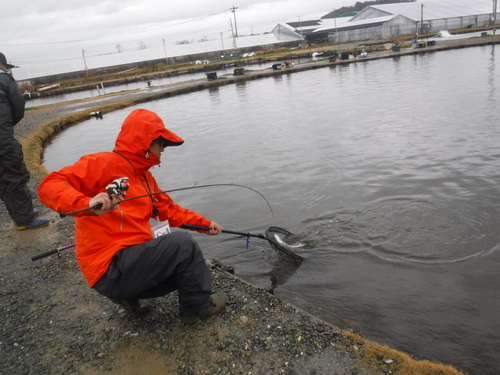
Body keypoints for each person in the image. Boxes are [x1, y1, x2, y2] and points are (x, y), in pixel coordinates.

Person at [38, 109, 227, 324]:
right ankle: (196, 309)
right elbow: (49, 185)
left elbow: (169, 211)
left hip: (128, 262)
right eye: (162, 143)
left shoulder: (145, 177)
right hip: (109, 268)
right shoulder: (103, 163)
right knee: (182, 245)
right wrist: (86, 204)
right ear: (147, 143)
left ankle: (128, 296)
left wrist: (204, 224)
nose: (164, 149)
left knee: (192, 267)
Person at [0, 52, 49, 230]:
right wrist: (6, 129)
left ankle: (18, 216)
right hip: (2, 140)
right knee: (14, 175)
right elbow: (18, 107)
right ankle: (25, 219)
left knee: (3, 178)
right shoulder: (4, 79)